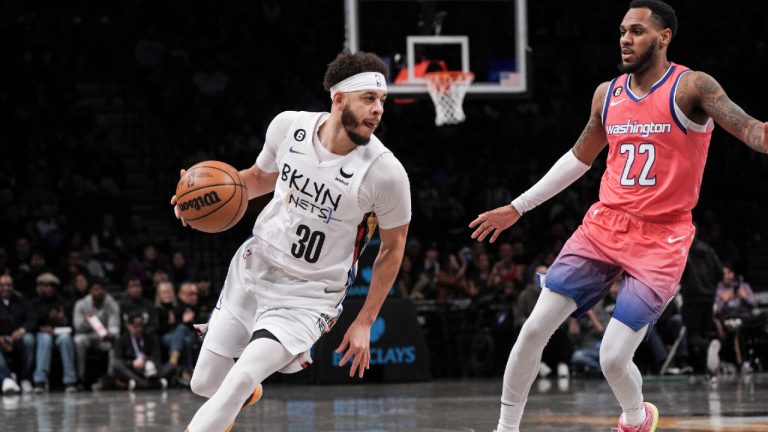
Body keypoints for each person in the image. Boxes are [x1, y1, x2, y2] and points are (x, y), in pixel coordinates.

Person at [469, 1, 768, 431]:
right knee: (534, 328)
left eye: (638, 31)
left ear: (664, 37)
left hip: (662, 238)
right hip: (604, 225)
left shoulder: (692, 88)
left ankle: (636, 417)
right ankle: (506, 427)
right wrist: (518, 207)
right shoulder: (606, 94)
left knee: (612, 357)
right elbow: (577, 160)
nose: (626, 39)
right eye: (622, 32)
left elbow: (753, 131)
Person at [171, 51, 411, 431]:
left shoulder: (385, 173)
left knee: (238, 379)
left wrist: (365, 320)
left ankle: (243, 386)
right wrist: (196, 197)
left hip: (309, 294)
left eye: (382, 101)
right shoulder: (288, 127)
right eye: (368, 99)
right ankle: (248, 390)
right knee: (205, 383)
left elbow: (393, 247)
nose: (378, 109)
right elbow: (255, 179)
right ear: (339, 99)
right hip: (254, 268)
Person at [31, 273, 78, 393]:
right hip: (42, 333)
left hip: (60, 332)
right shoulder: (34, 303)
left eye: (52, 286)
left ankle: (70, 381)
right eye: (45, 286)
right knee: (45, 340)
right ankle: (40, 381)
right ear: (40, 287)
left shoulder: (64, 302)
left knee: (66, 339)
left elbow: (72, 323)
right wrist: (41, 327)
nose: (49, 288)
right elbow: (30, 321)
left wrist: (62, 320)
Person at [73, 279, 121, 385]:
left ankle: (111, 377)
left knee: (116, 339)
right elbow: (78, 327)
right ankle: (80, 378)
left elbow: (115, 326)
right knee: (79, 341)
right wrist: (87, 321)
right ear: (90, 291)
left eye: (102, 289)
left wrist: (110, 333)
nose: (99, 292)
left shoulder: (111, 303)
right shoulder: (81, 304)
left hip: (103, 338)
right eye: (96, 289)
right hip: (87, 336)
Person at [0, 274, 36, 394]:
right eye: (2, 285)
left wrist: (22, 330)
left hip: (18, 337)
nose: (6, 288)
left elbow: (32, 319)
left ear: (13, 286)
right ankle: (7, 378)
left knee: (29, 339)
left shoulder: (21, 300)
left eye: (9, 285)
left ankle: (25, 378)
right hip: (1, 338)